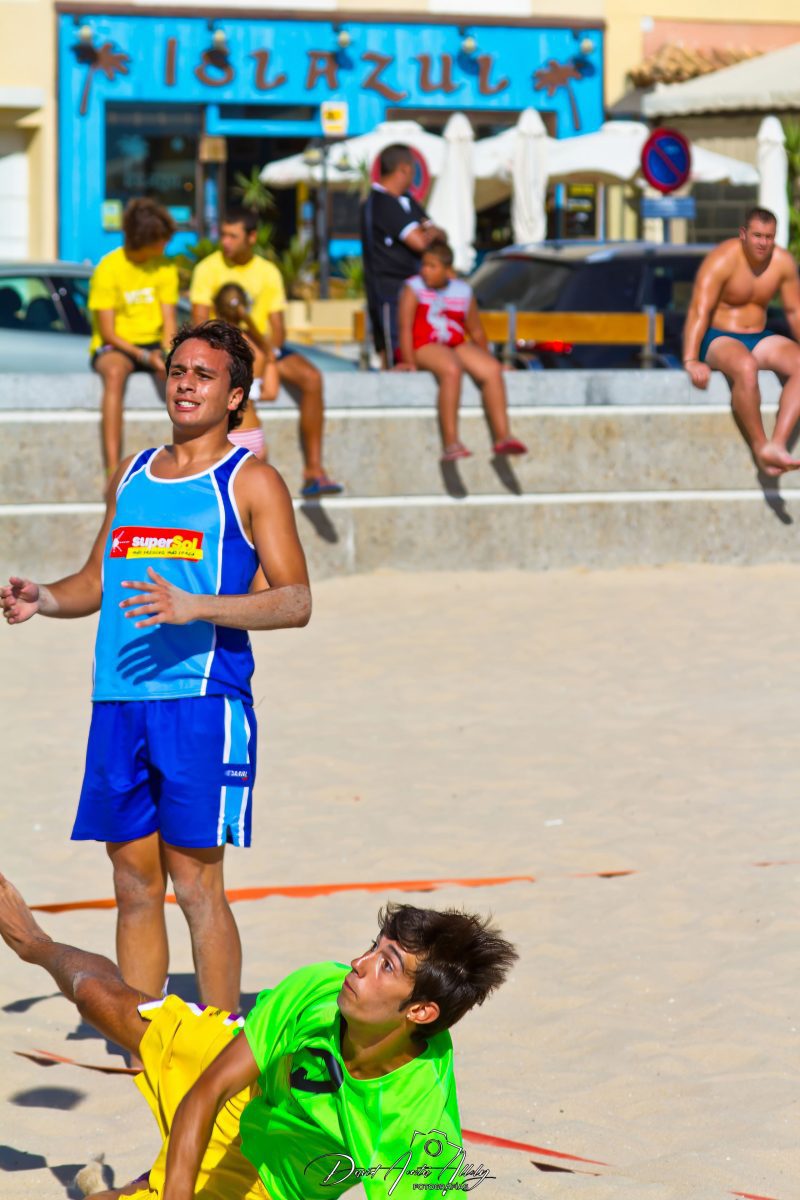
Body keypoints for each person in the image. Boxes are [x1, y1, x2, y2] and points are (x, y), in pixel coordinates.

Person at [1, 322, 311, 1023]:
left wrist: (197, 605)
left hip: (202, 701)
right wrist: (45, 598)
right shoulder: (132, 474)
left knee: (198, 885)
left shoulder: (251, 480)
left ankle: (221, 1035)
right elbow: (95, 581)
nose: (185, 382)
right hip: (119, 700)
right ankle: (141, 1037)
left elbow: (295, 601)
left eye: (204, 374)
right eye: (177, 370)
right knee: (132, 882)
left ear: (235, 395)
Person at [0, 874, 518, 1200]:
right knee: (98, 999)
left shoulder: (415, 1126)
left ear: (422, 1010)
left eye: (386, 965)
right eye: (372, 947)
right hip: (246, 1085)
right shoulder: (319, 986)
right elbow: (207, 1093)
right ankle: (36, 942)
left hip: (273, 1179)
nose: (357, 966)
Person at [190, 209, 342, 497]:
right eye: (222, 235)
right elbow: (199, 324)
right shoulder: (207, 269)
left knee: (312, 378)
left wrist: (265, 353)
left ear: (252, 237)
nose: (225, 242)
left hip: (260, 349)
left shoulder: (267, 271)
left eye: (232, 236)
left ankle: (314, 470)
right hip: (224, 350)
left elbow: (278, 329)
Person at [683, 206, 800, 476]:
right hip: (719, 337)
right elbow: (699, 309)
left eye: (769, 237)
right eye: (757, 235)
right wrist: (691, 359)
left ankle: (778, 443)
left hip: (758, 336)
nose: (763, 243)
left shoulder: (781, 263)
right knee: (745, 368)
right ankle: (760, 447)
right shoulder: (723, 260)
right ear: (743, 234)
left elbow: (794, 312)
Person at [398, 241, 528, 463]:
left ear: (447, 270)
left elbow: (476, 331)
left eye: (432, 266)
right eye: (424, 265)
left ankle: (503, 436)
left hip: (454, 343)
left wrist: (490, 358)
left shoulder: (463, 291)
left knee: (492, 371)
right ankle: (451, 442)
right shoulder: (414, 288)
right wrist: (408, 361)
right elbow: (405, 327)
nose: (425, 271)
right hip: (425, 344)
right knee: (451, 369)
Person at [89, 198, 179, 478]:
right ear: (145, 240)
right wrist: (143, 356)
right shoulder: (109, 267)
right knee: (115, 373)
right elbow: (108, 332)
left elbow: (169, 323)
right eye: (161, 240)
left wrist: (167, 355)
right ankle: (112, 468)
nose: (166, 244)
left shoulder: (164, 267)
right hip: (116, 345)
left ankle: (191, 458)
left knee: (181, 377)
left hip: (153, 344)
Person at [360, 144, 447, 367]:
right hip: (391, 294)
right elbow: (420, 242)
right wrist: (431, 233)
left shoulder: (406, 201)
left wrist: (431, 232)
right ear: (404, 169)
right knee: (397, 356)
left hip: (413, 293)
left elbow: (440, 235)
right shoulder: (382, 203)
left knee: (416, 351)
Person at [213, 283, 279, 461]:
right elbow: (271, 393)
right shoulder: (258, 345)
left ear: (216, 308)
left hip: (223, 434)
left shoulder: (213, 343)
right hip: (253, 432)